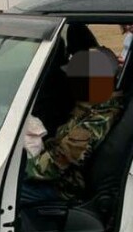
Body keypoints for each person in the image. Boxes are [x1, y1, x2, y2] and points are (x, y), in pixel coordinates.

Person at [22, 47, 124, 205]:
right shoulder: (94, 103)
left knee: (8, 191)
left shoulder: (99, 118)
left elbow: (58, 162)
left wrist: (19, 171)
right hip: (58, 173)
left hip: (64, 187)